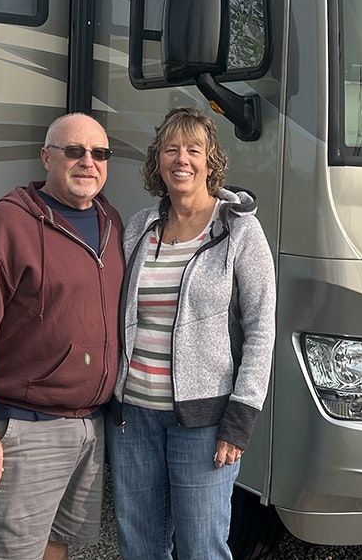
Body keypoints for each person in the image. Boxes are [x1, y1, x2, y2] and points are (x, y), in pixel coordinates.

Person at [0, 112, 125, 560]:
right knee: (6, 553)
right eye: (74, 151)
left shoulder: (111, 222)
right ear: (47, 157)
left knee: (55, 545)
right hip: (25, 429)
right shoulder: (5, 226)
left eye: (99, 153)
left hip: (90, 426)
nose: (88, 162)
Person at [107, 106, 276, 560]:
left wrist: (239, 423)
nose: (181, 158)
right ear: (157, 161)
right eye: (170, 149)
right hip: (133, 417)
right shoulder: (140, 229)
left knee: (202, 547)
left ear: (210, 160)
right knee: (139, 545)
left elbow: (261, 331)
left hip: (204, 424)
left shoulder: (239, 230)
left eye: (193, 149)